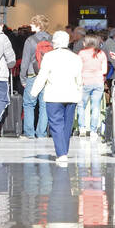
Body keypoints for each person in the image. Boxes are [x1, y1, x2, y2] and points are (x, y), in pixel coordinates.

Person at [29, 31, 82, 165]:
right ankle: (64, 150)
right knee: (67, 124)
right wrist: (79, 94)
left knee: (56, 124)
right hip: (71, 95)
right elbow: (79, 79)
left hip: (54, 95)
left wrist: (34, 92)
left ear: (55, 43)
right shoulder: (76, 57)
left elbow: (43, 75)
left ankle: (61, 153)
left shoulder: (49, 56)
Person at [77, 34, 108, 138]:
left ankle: (82, 128)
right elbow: (104, 70)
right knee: (96, 107)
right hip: (98, 82)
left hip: (84, 82)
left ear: (87, 42)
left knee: (81, 106)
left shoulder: (81, 53)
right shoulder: (101, 53)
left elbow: (78, 69)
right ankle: (93, 131)